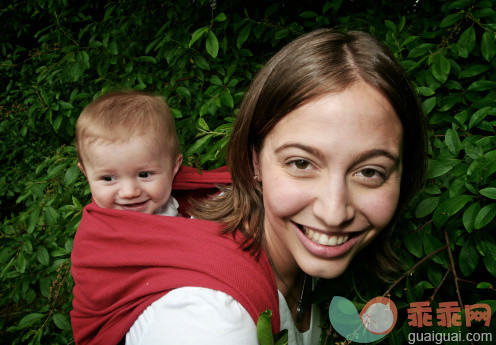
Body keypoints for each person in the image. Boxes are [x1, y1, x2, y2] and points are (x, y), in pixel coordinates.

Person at [71, 29, 428, 345]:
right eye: (301, 163)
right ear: (254, 160)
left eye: (369, 172)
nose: (333, 213)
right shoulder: (212, 324)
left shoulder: (294, 240)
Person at [74, 90, 183, 216]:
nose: (129, 192)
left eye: (144, 174)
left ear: (174, 167)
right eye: (108, 178)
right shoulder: (99, 231)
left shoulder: (186, 200)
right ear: (85, 173)